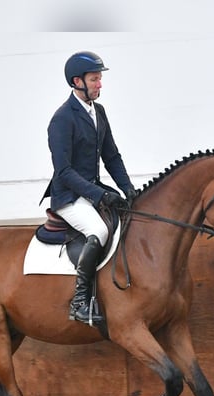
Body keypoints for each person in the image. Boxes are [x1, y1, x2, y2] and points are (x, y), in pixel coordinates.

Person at [45, 50, 138, 326]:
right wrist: (99, 195)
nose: (100, 84)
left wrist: (127, 188)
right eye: (95, 79)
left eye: (99, 79)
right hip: (69, 195)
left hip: (93, 189)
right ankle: (80, 301)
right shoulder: (62, 119)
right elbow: (64, 171)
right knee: (98, 230)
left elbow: (111, 156)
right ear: (77, 81)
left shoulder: (99, 112)